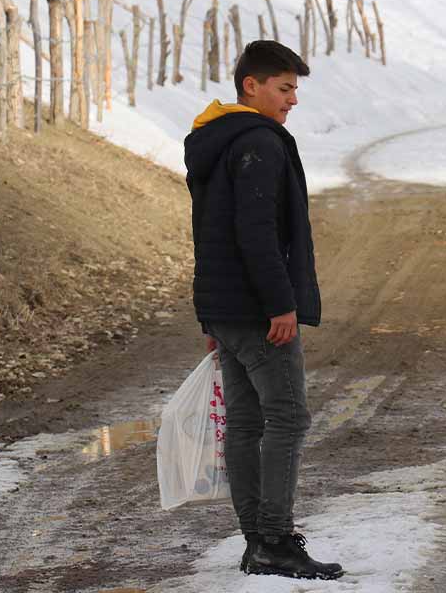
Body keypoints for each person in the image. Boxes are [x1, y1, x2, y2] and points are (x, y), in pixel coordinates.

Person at [183, 40, 342, 581]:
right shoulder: (258, 142)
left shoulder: (215, 138)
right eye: (284, 87)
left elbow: (206, 232)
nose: (292, 100)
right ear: (251, 86)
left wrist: (212, 316)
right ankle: (274, 537)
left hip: (227, 308)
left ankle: (258, 541)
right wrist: (280, 303)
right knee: (288, 417)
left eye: (295, 88)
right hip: (256, 309)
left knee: (249, 421)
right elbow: (257, 231)